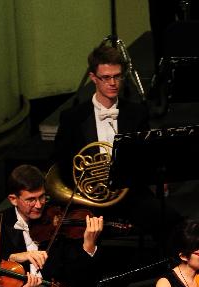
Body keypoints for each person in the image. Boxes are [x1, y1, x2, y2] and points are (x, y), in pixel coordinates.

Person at [52, 42, 181, 243]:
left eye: (117, 76)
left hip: (129, 194)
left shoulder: (136, 112)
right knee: (71, 232)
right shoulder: (72, 117)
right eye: (106, 77)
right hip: (89, 199)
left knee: (171, 219)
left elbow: (146, 156)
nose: (113, 83)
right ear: (93, 78)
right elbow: (62, 162)